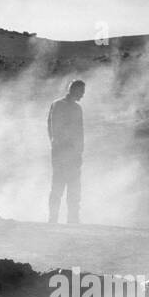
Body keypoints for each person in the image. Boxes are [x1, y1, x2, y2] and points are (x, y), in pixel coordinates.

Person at [47, 79, 85, 223]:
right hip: (61, 153)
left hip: (74, 154)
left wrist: (79, 151)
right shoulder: (58, 105)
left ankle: (73, 219)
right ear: (73, 90)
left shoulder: (77, 108)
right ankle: (53, 219)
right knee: (58, 186)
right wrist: (59, 149)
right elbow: (53, 128)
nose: (82, 95)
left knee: (74, 187)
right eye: (81, 92)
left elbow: (80, 131)